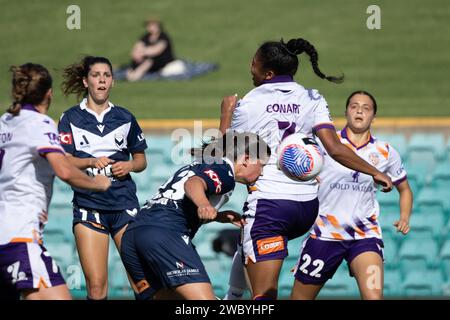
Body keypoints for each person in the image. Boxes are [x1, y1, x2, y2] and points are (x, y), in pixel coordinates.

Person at [219, 38, 393, 300]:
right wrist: (376, 172)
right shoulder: (312, 97)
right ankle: (233, 296)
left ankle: (234, 296)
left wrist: (225, 116)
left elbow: (224, 153)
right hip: (306, 209)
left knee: (264, 296)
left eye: (253, 63)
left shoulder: (250, 102)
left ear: (268, 73)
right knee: (247, 247)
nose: (250, 67)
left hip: (271, 207)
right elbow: (334, 148)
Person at [0, 63, 111, 300]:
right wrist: (98, 184)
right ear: (49, 93)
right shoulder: (40, 124)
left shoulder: (5, 121)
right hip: (19, 237)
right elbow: (65, 171)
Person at [290, 91, 413, 300]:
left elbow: (405, 189)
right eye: (354, 106)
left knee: (374, 298)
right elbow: (297, 167)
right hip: (325, 233)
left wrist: (404, 217)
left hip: (365, 234)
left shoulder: (385, 152)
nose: (359, 111)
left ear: (373, 117)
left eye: (366, 108)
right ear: (346, 112)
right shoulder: (325, 143)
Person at [120, 131, 271, 300]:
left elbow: (176, 202)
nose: (262, 172)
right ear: (246, 159)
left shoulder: (202, 164)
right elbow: (192, 184)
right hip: (165, 234)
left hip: (133, 235)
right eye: (261, 165)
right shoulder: (225, 171)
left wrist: (219, 216)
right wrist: (204, 204)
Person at [59, 56, 148, 300]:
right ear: (85, 81)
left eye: (106, 75)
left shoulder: (125, 117)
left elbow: (141, 161)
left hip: (125, 206)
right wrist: (89, 161)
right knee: (97, 287)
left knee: (142, 282)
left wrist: (129, 165)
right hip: (89, 208)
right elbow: (63, 161)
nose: (101, 80)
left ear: (112, 81)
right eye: (96, 75)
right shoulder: (69, 118)